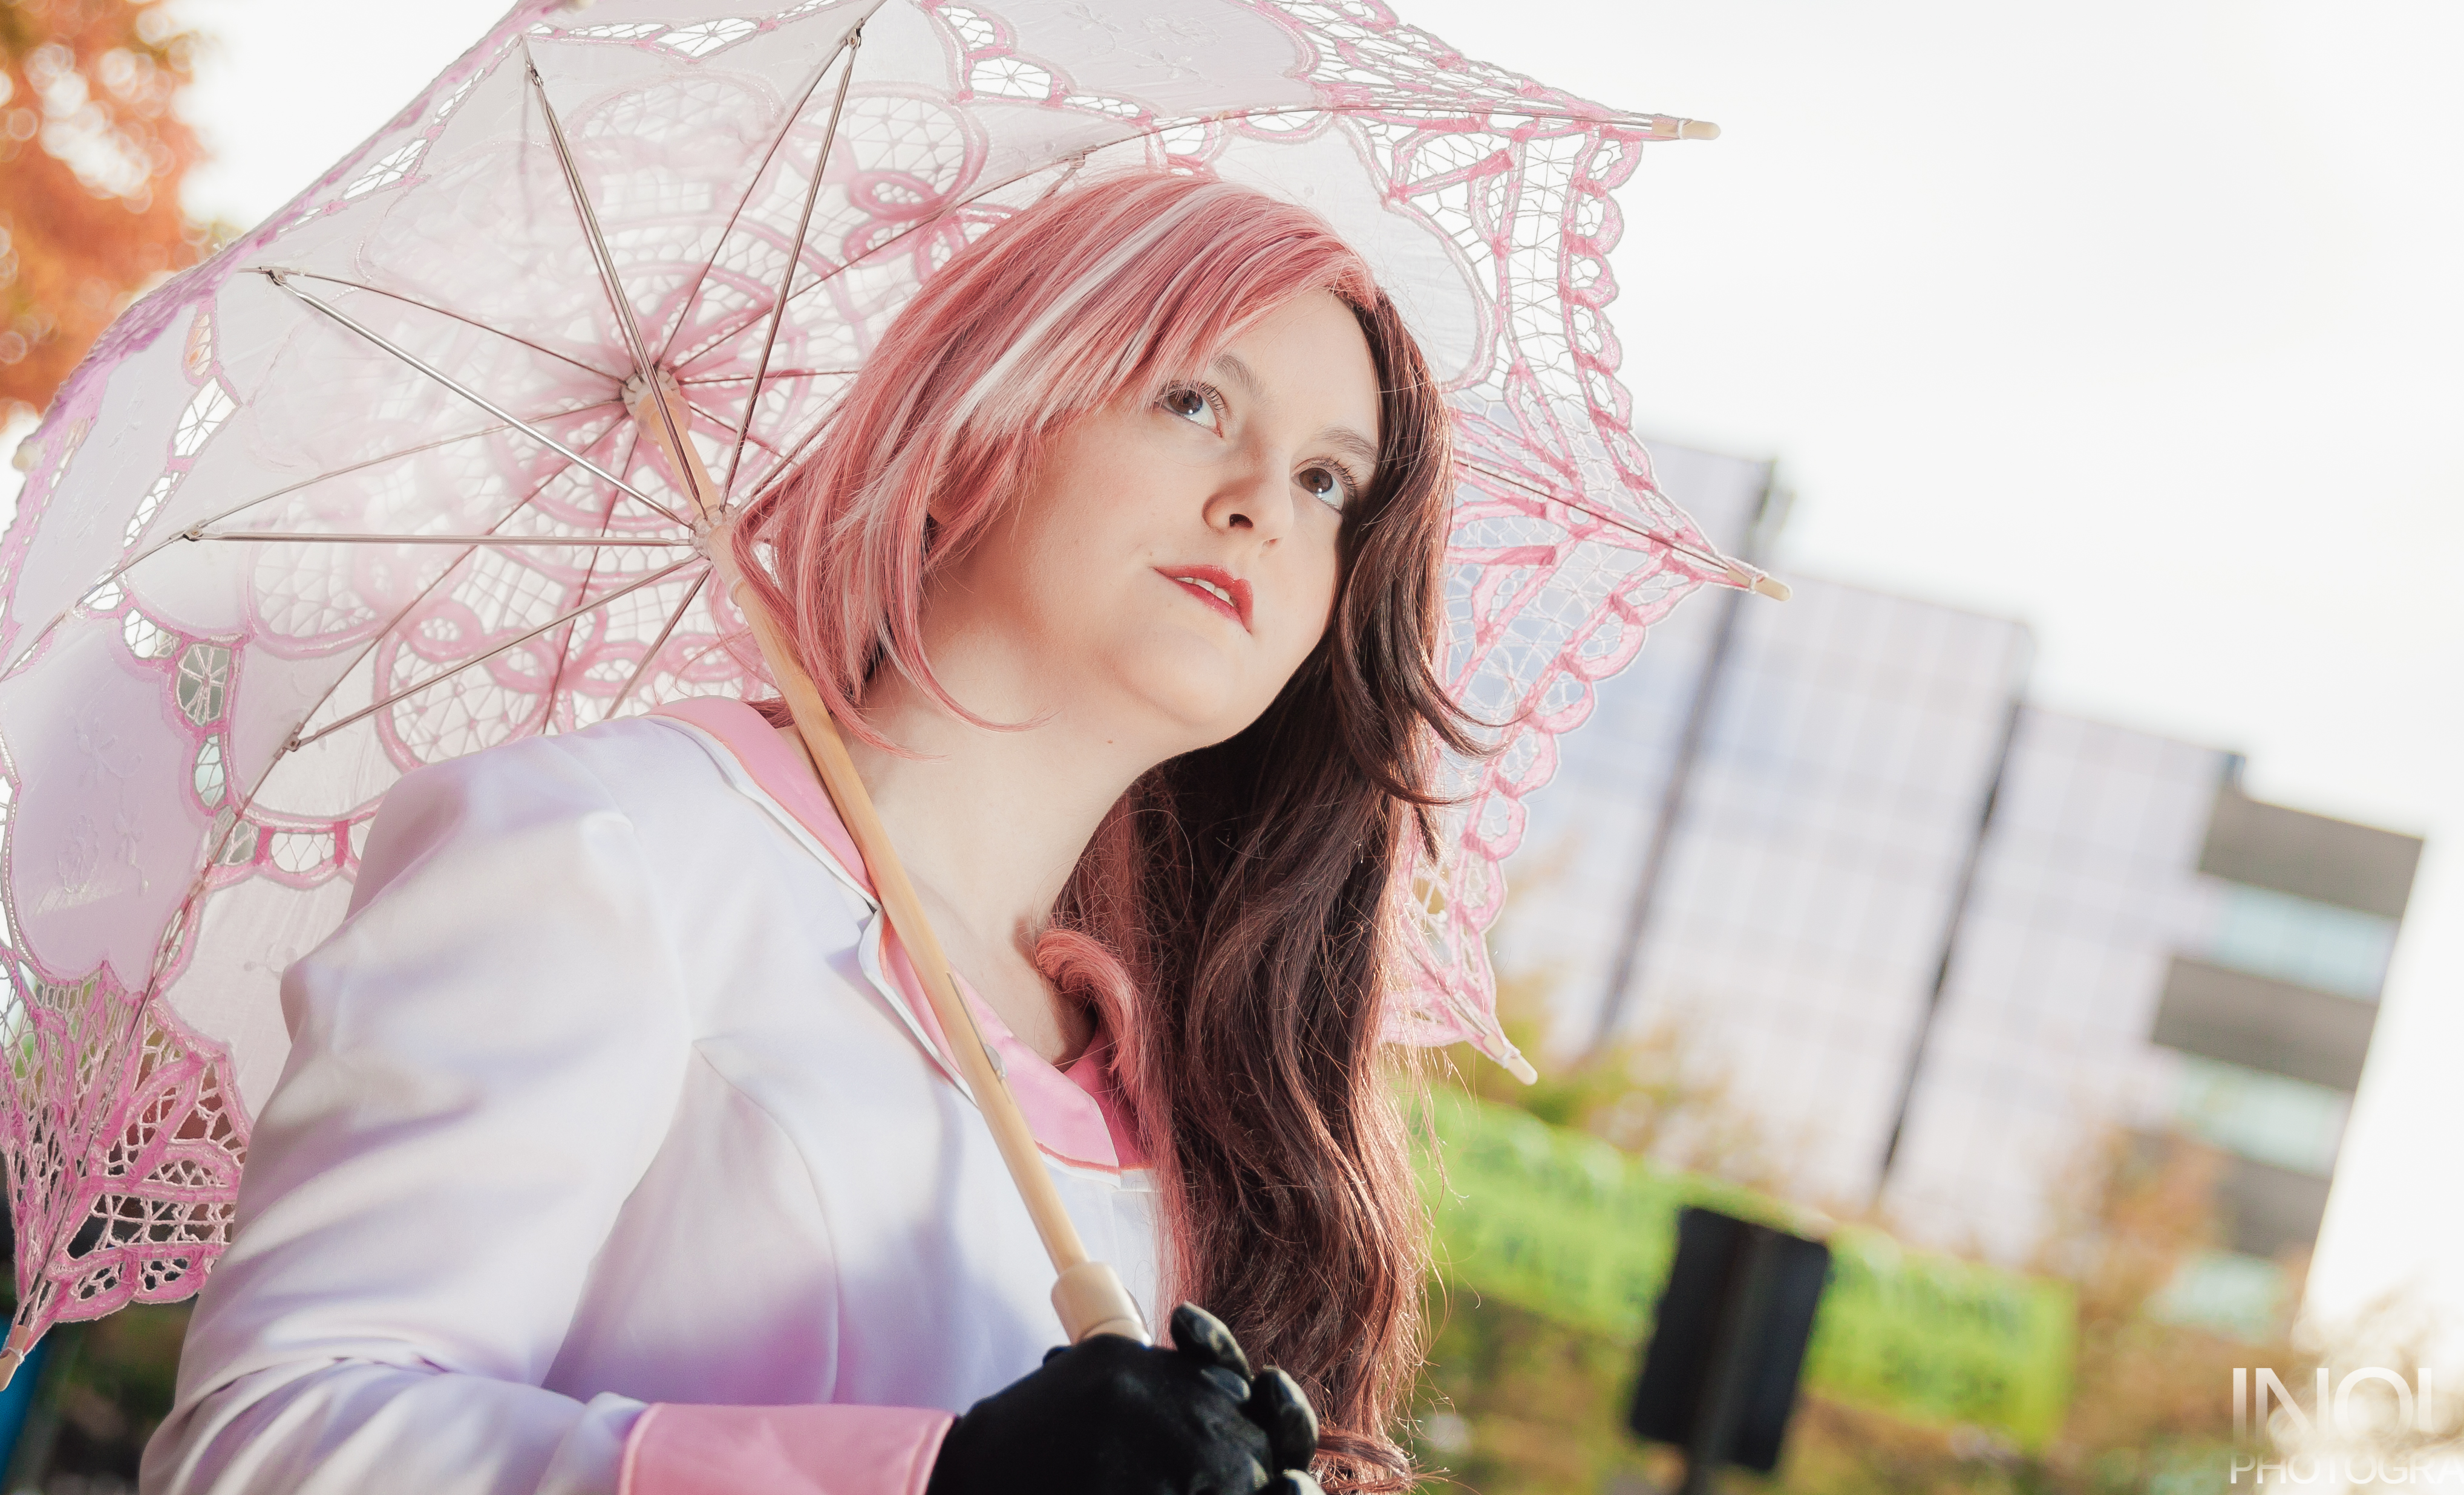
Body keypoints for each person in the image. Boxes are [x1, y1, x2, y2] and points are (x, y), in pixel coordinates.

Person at [143, 167, 1475, 1495]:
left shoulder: (1198, 1107)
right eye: (1194, 401)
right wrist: (935, 1481)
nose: (1263, 505)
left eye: (1327, 481)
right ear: (970, 437)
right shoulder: (612, 852)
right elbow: (267, 1451)